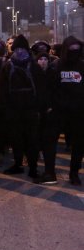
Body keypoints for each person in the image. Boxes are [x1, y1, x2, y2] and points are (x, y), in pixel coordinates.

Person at [0, 35, 47, 179]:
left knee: (31, 139)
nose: (19, 52)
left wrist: (39, 107)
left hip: (29, 109)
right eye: (17, 49)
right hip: (15, 109)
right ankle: (20, 164)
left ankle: (32, 167)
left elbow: (41, 88)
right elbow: (2, 89)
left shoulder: (29, 66)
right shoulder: (10, 66)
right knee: (17, 139)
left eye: (21, 49)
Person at [42, 36, 84, 186]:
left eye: (77, 49)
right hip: (57, 111)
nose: (74, 52)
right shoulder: (55, 66)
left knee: (79, 144)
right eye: (71, 49)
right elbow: (47, 88)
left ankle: (74, 173)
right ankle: (49, 172)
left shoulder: (82, 66)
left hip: (78, 112)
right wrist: (49, 107)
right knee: (49, 142)